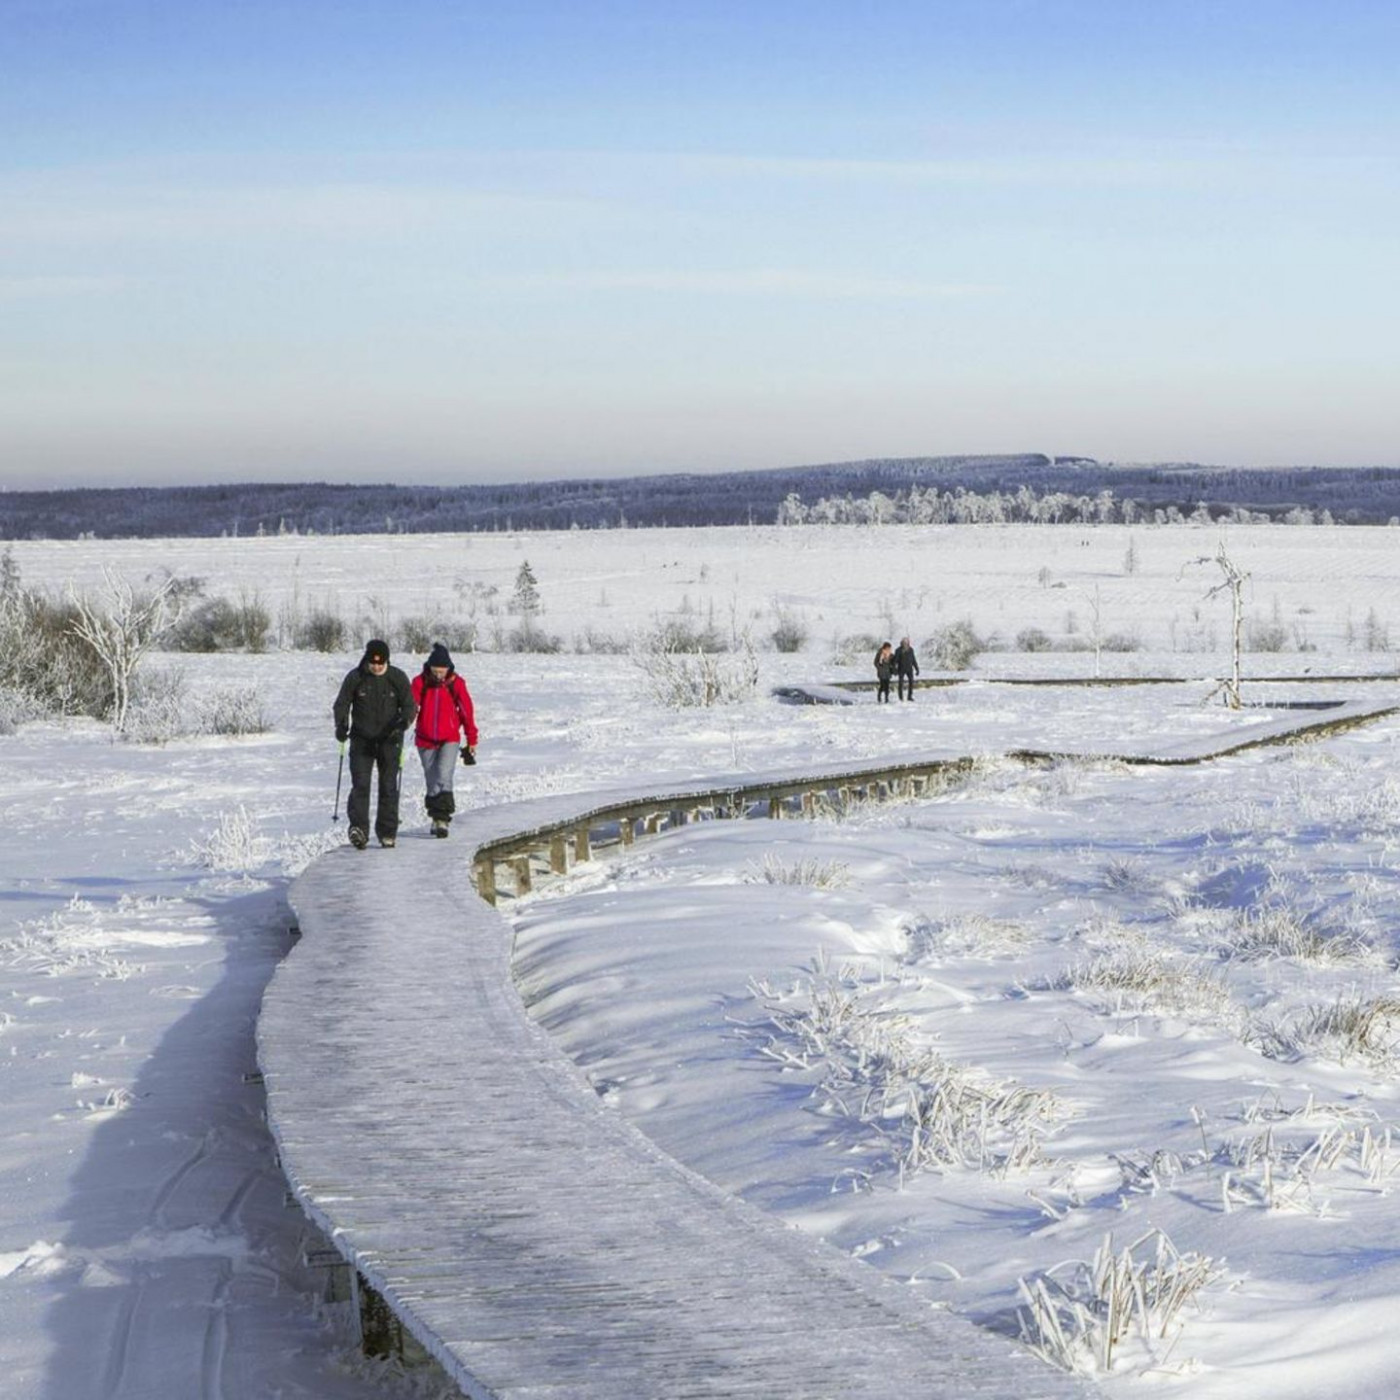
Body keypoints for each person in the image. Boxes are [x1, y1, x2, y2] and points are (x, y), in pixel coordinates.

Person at [333, 639, 416, 850]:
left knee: (388, 786)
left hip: (390, 740)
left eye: (380, 663)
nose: (376, 667)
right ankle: (359, 829)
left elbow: (409, 705)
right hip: (362, 740)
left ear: (387, 661)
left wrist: (403, 722)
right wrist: (341, 725)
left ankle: (387, 832)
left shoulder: (397, 677)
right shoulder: (356, 677)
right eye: (373, 663)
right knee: (360, 784)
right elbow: (341, 703)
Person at [411, 642, 479, 838]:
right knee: (432, 780)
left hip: (449, 738)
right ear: (430, 667)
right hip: (425, 739)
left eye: (442, 670)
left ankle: (443, 819)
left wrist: (471, 738)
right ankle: (435, 817)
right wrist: (401, 724)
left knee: (444, 774)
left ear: (449, 668)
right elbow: (411, 707)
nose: (439, 674)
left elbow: (466, 711)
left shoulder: (456, 683)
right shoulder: (419, 682)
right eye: (435, 670)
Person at [894, 636, 920, 701]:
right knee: (900, 683)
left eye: (907, 642)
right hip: (901, 669)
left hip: (909, 669)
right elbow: (895, 661)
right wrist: (895, 669)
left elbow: (913, 660)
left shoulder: (911, 650)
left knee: (911, 682)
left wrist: (917, 669)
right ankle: (901, 697)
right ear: (902, 643)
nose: (905, 644)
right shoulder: (898, 650)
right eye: (904, 642)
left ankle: (910, 696)